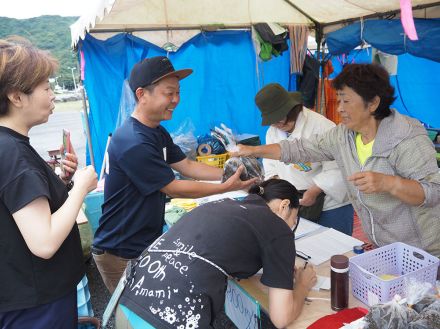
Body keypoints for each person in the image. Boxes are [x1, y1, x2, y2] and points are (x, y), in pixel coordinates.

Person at [233, 63, 440, 257]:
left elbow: (433, 192)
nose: (339, 108)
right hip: (384, 246)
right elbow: (301, 148)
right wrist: (254, 150)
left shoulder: (407, 138)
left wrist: (389, 183)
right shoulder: (343, 135)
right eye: (339, 100)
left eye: (346, 101)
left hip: (423, 250)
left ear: (373, 103)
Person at [93, 56, 256, 293]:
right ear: (142, 94)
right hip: (119, 250)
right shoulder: (132, 140)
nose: (176, 100)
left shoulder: (156, 132)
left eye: (178, 92)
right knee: (136, 317)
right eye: (168, 93)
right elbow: (172, 187)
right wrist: (226, 187)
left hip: (142, 242)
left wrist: (231, 174)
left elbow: (187, 166)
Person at [114, 178, 317, 329]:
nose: (291, 225)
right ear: (284, 206)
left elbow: (218, 252)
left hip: (128, 304)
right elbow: (281, 319)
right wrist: (303, 285)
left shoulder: (223, 205)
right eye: (294, 219)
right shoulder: (277, 228)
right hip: (167, 319)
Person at [0, 37, 97, 328]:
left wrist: (61, 183)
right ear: (17, 97)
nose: (53, 95)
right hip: (36, 305)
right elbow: (44, 242)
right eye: (46, 87)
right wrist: (80, 187)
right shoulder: (14, 153)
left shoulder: (9, 146)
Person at [255, 83, 353, 234]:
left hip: (329, 201)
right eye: (273, 120)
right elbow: (270, 164)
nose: (278, 124)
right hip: (295, 200)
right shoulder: (272, 132)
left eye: (281, 118)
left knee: (337, 249)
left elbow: (338, 167)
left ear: (293, 109)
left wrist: (314, 191)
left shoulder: (322, 127)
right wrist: (277, 186)